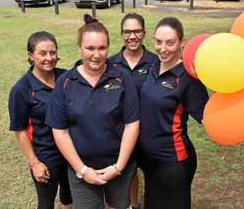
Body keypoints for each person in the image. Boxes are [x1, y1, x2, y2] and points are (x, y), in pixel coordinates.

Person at [45, 14, 140, 209]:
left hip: (118, 166)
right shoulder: (65, 83)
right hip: (82, 169)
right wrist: (82, 170)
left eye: (102, 48)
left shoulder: (121, 78)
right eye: (90, 48)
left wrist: (119, 167)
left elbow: (132, 124)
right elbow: (60, 131)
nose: (96, 55)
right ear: (79, 48)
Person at [138, 17, 209, 209]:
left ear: (182, 42)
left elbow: (208, 118)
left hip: (173, 161)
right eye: (158, 42)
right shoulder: (151, 66)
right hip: (148, 159)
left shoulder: (188, 77)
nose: (163, 48)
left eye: (170, 42)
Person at [8, 31, 72, 209]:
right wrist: (34, 163)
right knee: (46, 203)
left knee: (69, 196)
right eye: (42, 53)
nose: (49, 58)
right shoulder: (21, 89)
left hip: (71, 151)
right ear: (30, 55)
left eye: (52, 52)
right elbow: (20, 131)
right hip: (46, 156)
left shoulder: (66, 77)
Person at [109, 12, 158, 209]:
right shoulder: (110, 63)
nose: (132, 36)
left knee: (152, 172)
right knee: (128, 171)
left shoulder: (156, 62)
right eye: (127, 32)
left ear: (144, 33)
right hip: (121, 131)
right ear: (121, 34)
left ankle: (143, 203)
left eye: (137, 31)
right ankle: (131, 205)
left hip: (150, 130)